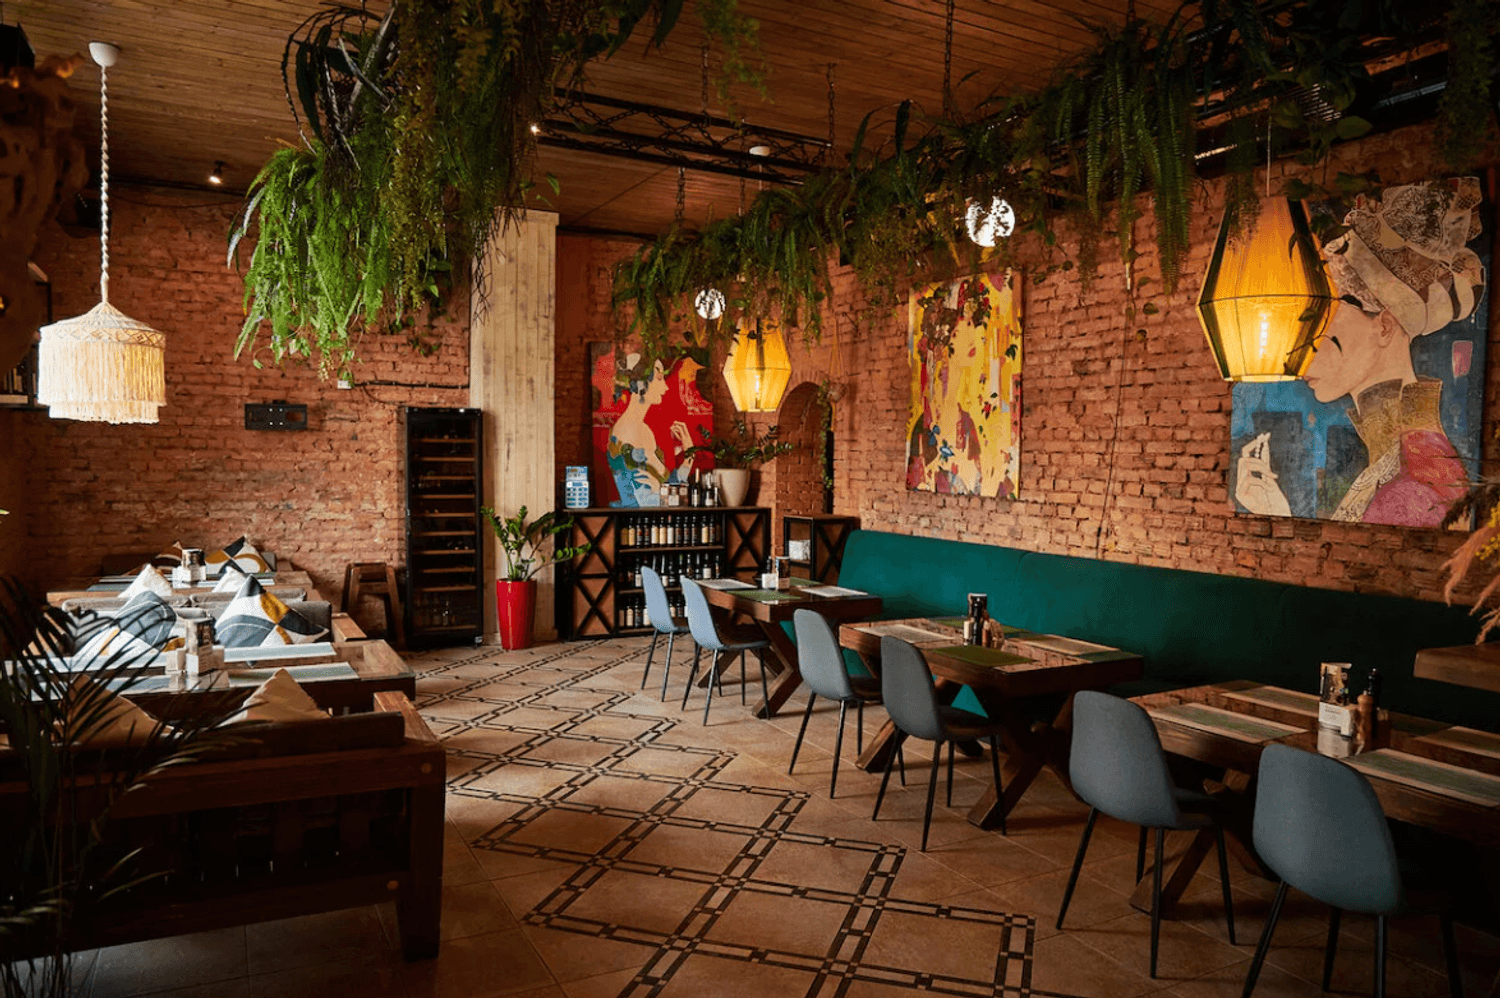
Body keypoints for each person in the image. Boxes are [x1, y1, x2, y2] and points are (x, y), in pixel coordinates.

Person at [1236, 178, 1486, 526]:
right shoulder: (1404, 461)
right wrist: (1276, 510)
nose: (1299, 352)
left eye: (1320, 327)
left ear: (1384, 326)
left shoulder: (1412, 486)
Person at [605, 355, 698, 506]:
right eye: (659, 379)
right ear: (641, 384)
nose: (665, 387)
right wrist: (661, 492)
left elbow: (670, 486)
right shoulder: (628, 432)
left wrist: (689, 455)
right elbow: (644, 502)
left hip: (658, 518)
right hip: (638, 519)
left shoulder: (644, 430)